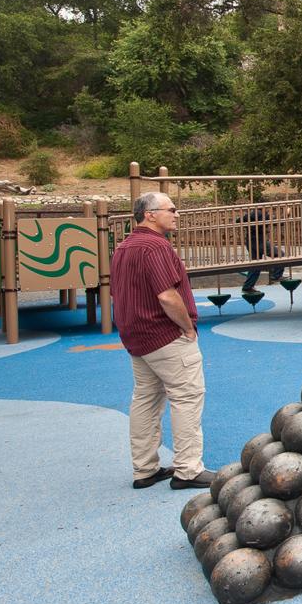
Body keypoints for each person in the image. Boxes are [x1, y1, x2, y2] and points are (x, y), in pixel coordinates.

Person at [112, 192, 213, 490]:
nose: (176, 214)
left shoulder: (124, 247)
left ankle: (144, 468)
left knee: (146, 398)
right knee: (187, 396)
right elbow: (167, 295)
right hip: (164, 334)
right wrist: (187, 328)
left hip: (136, 335)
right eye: (171, 209)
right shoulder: (155, 247)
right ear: (150, 214)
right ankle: (188, 468)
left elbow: (118, 292)